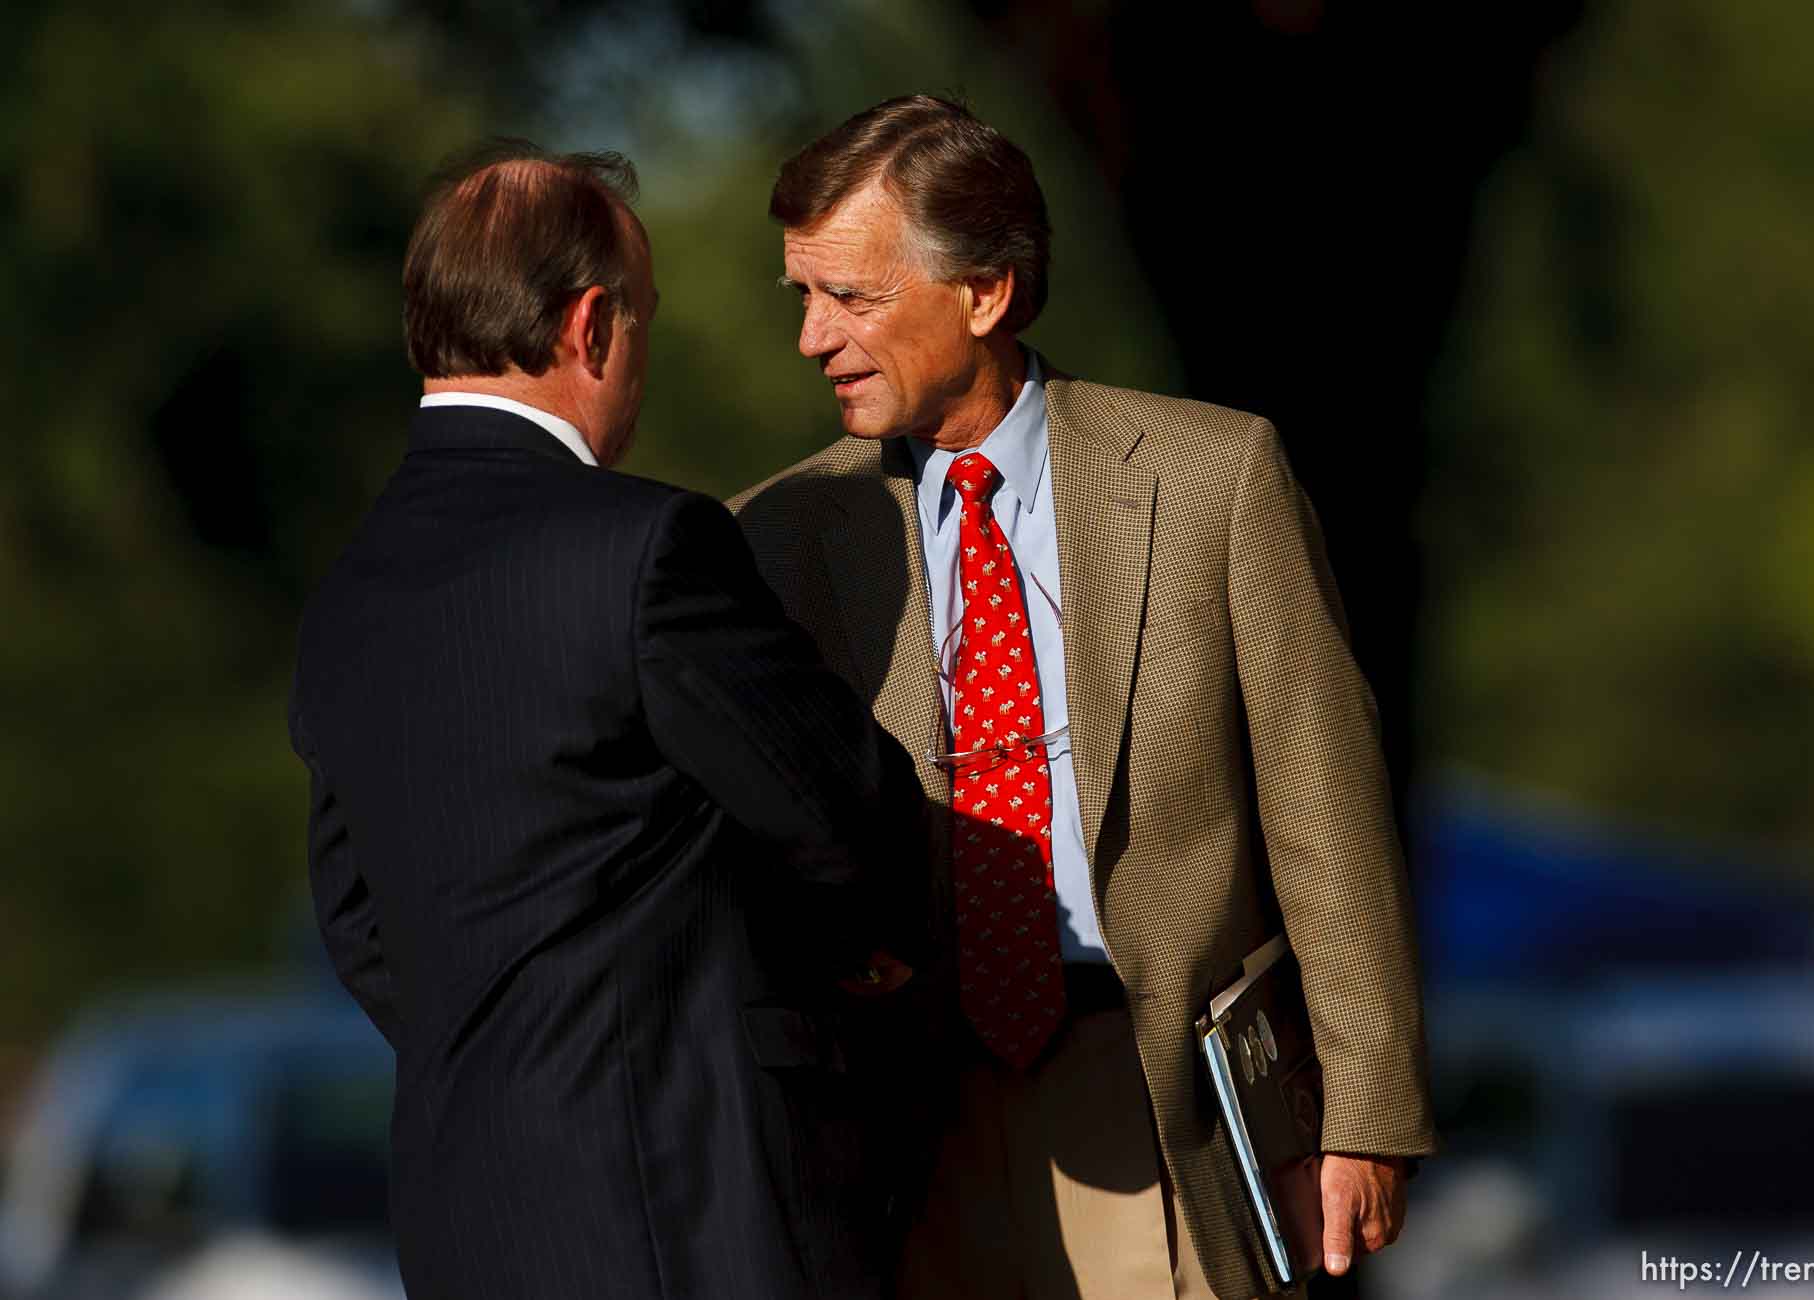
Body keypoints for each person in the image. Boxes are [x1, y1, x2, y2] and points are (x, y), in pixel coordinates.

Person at [731, 96, 1436, 1300]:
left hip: (1158, 1097)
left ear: (986, 293)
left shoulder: (1214, 476)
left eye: (850, 296)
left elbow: (1325, 809)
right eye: (804, 295)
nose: (814, 336)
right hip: (904, 1119)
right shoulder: (781, 533)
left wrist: (1365, 1107)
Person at [289, 142, 929, 1300]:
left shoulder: (345, 598)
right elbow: (848, 819)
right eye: (641, 322)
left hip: (466, 1235)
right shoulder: (646, 552)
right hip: (690, 1222)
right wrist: (850, 949)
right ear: (590, 326)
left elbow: (357, 923)